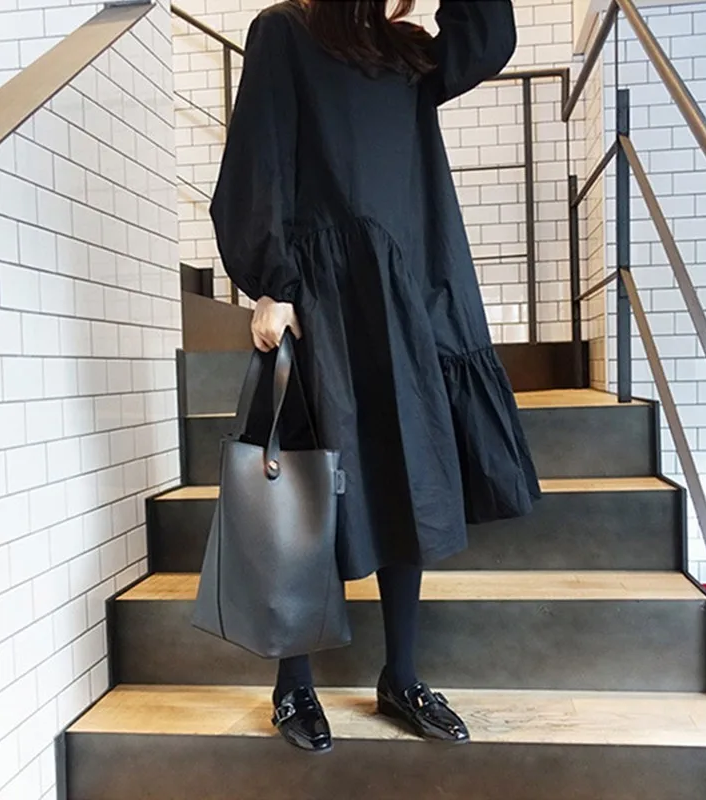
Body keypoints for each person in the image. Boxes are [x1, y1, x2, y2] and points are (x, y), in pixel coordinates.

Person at [209, 0, 540, 753]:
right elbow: (257, 162)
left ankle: (402, 675)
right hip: (318, 303)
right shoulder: (284, 33)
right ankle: (294, 683)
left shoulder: (405, 54)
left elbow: (487, 38)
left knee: (403, 475)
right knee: (302, 488)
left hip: (404, 298)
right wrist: (273, 284)